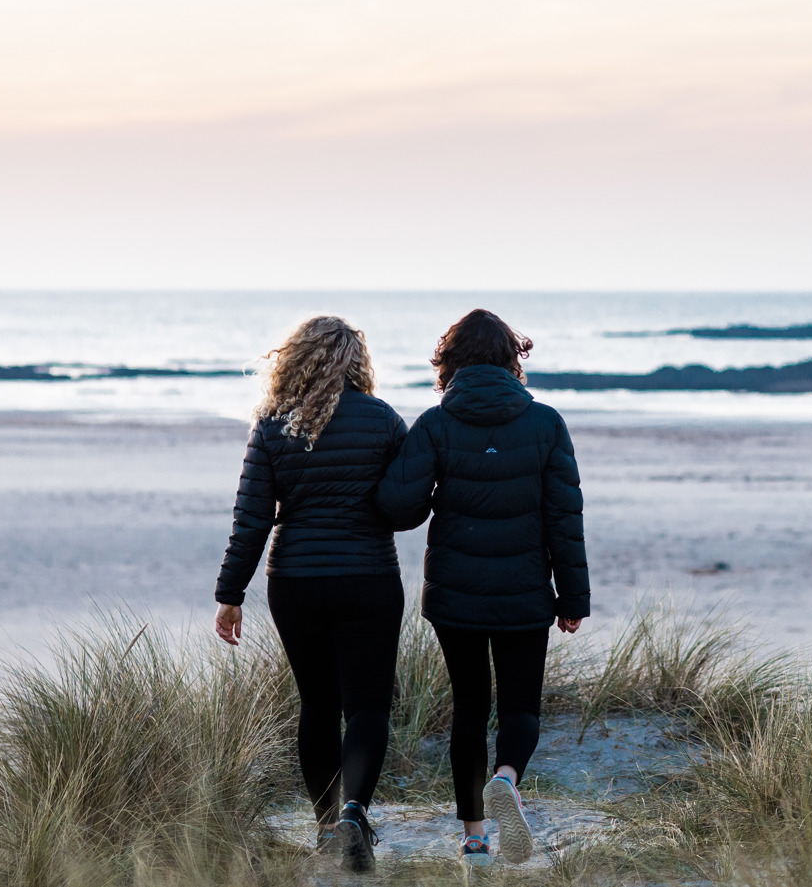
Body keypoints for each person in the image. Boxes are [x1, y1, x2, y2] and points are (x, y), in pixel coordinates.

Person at [377, 309, 589, 867]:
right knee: (522, 708)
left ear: (448, 363)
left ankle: (475, 838)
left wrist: (428, 490)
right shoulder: (546, 423)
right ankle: (507, 778)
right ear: (512, 360)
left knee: (469, 709)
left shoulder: (435, 423)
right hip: (524, 594)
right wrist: (573, 599)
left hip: (456, 594)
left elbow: (397, 507)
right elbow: (564, 518)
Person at [213, 315, 407, 874]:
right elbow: (405, 503)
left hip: (294, 581)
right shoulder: (383, 420)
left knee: (318, 705)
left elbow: (251, 518)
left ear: (292, 360)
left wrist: (231, 593)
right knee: (368, 705)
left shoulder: (273, 425)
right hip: (368, 576)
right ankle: (353, 815)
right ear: (356, 362)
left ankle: (327, 827)